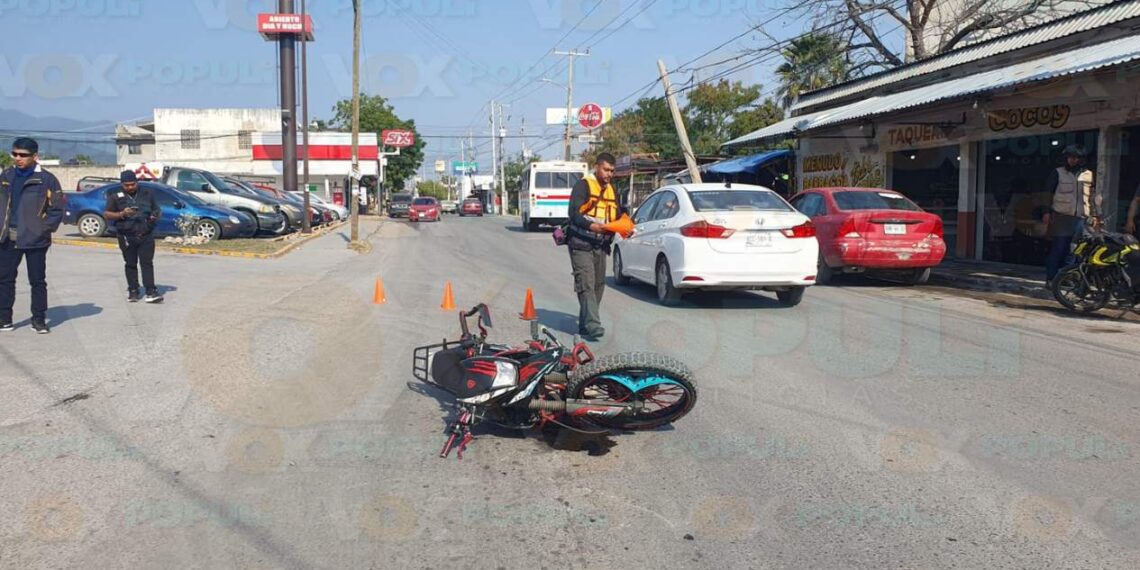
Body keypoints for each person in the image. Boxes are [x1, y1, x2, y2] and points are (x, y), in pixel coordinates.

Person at [0, 137, 64, 334]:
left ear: (35, 156)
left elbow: (57, 209)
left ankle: (39, 319)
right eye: (15, 154)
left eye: (23, 155)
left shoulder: (47, 179)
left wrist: (42, 229)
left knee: (37, 281)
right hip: (8, 237)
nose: (18, 158)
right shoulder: (6, 175)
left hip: (35, 239)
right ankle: (4, 319)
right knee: (5, 279)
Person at [566, 153, 626, 341]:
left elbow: (616, 214)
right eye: (606, 170)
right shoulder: (583, 185)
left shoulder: (611, 190)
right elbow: (574, 214)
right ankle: (593, 324)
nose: (609, 174)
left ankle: (585, 323)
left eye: (612, 171)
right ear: (596, 167)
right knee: (586, 283)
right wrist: (592, 226)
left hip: (601, 245)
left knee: (599, 285)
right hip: (581, 243)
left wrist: (625, 226)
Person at [104, 171, 163, 303]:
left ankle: (150, 291)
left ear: (137, 182)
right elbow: (107, 214)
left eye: (132, 184)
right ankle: (133, 290)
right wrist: (122, 214)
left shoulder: (147, 193)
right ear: (122, 184)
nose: (130, 187)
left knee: (147, 263)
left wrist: (155, 215)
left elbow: (157, 209)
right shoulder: (115, 196)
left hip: (146, 234)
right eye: (127, 185)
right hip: (126, 235)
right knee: (130, 263)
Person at [1043, 145, 1098, 283]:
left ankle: (1067, 279)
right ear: (1066, 158)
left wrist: (1096, 215)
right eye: (1071, 157)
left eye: (1076, 157)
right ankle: (1051, 278)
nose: (1073, 160)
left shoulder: (1089, 174)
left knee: (1074, 251)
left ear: (1081, 159)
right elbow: (1047, 193)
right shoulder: (1058, 172)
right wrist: (1046, 212)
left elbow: (1093, 196)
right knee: (1058, 248)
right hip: (1062, 217)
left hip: (1081, 218)